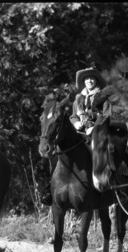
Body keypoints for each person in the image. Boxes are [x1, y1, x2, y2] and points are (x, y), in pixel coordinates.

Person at [39, 67, 112, 206]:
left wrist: (94, 127)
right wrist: (76, 123)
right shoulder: (78, 98)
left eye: (92, 78)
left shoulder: (103, 97)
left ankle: (108, 185)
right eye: (87, 78)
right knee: (58, 151)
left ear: (96, 81)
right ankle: (50, 187)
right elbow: (73, 115)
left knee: (101, 150)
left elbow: (106, 116)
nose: (89, 80)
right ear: (83, 81)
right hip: (78, 131)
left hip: (97, 131)